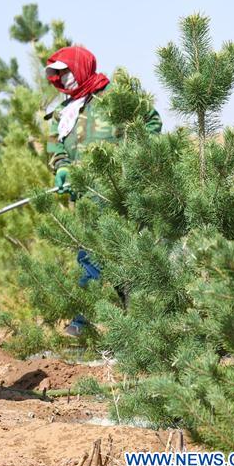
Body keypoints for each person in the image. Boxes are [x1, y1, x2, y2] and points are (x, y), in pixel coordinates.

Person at [44, 45, 162, 336]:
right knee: (90, 256)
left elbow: (152, 121)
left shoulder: (114, 98)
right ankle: (91, 323)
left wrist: (133, 158)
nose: (62, 80)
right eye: (57, 75)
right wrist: (61, 166)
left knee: (125, 256)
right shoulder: (63, 110)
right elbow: (55, 146)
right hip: (86, 197)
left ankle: (119, 324)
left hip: (120, 194)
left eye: (66, 72)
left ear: (80, 67)